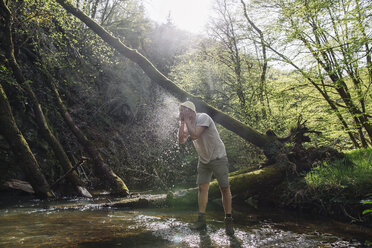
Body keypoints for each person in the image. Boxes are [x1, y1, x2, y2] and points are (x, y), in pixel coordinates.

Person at [178, 101, 234, 235]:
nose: (182, 113)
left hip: (218, 157)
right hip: (203, 160)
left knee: (224, 188)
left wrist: (186, 120)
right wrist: (182, 123)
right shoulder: (186, 123)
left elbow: (195, 134)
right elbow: (181, 140)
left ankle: (229, 221)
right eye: (180, 111)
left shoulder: (203, 117)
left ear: (191, 111)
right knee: (202, 188)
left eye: (183, 110)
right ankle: (201, 221)